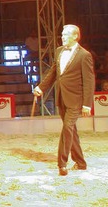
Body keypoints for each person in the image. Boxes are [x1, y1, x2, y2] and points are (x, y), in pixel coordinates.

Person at [33, 24, 95, 176]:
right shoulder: (59, 51)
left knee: (67, 128)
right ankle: (80, 163)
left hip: (76, 99)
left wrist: (87, 104)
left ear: (75, 36)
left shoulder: (84, 55)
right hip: (61, 97)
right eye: (62, 34)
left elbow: (89, 81)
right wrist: (41, 87)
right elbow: (53, 72)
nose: (62, 37)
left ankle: (62, 163)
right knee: (71, 131)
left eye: (66, 34)